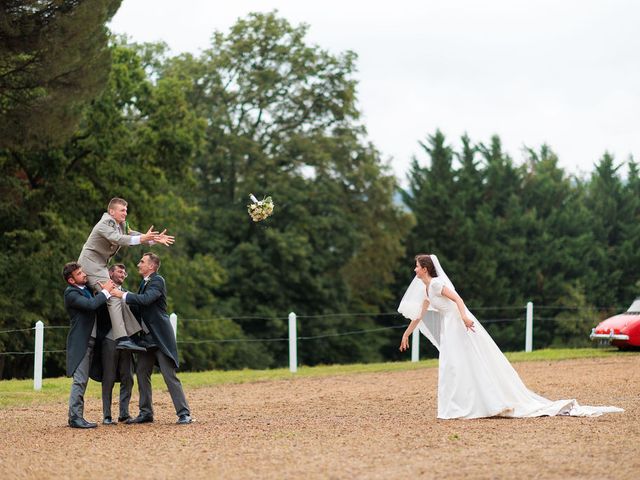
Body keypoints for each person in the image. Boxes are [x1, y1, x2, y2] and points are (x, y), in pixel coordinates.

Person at [398, 254, 624, 419]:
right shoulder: (427, 290)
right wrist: (406, 334)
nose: (414, 270)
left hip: (458, 324)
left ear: (425, 268)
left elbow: (458, 299)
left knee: (461, 364)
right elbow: (419, 316)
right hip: (450, 329)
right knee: (452, 365)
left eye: (416, 266)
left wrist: (465, 318)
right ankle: (456, 405)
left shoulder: (437, 284)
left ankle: (478, 402)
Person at [78, 197, 174, 352]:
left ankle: (134, 337)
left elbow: (131, 233)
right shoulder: (105, 223)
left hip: (100, 266)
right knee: (114, 295)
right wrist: (143, 238)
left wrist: (153, 240)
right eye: (122, 210)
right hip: (90, 266)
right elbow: (118, 239)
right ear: (112, 211)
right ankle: (123, 338)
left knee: (119, 295)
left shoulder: (121, 224)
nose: (125, 213)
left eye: (126, 210)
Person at [111, 253, 193, 425]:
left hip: (160, 338)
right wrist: (117, 294)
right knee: (141, 373)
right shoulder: (144, 283)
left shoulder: (157, 280)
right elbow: (138, 305)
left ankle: (184, 413)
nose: (138, 264)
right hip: (147, 339)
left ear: (152, 266)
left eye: (142, 261)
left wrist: (122, 295)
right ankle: (146, 413)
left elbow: (146, 300)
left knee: (169, 375)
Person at [63, 262, 116, 429]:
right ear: (71, 280)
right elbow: (91, 305)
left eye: (82, 271)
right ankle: (75, 418)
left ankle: (76, 416)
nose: (84, 274)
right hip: (81, 343)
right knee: (80, 381)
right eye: (79, 273)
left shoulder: (84, 290)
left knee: (82, 380)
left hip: (91, 342)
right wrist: (106, 291)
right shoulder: (71, 293)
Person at [99, 264, 136, 425]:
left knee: (128, 376)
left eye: (124, 272)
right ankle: (107, 415)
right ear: (110, 273)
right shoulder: (102, 291)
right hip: (109, 339)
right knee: (108, 377)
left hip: (126, 340)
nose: (122, 274)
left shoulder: (126, 293)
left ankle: (124, 413)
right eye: (119, 271)